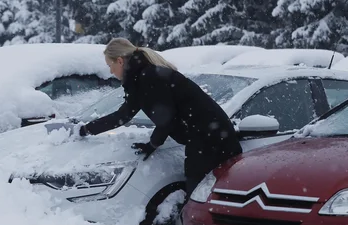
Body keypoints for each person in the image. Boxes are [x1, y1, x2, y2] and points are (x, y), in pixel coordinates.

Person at [75, 37, 242, 196]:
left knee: (199, 196)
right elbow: (123, 115)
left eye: (109, 65)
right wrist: (85, 130)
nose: (110, 71)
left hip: (212, 140)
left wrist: (152, 144)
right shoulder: (139, 80)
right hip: (203, 138)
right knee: (200, 194)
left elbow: (166, 119)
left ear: (119, 61)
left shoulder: (149, 77)